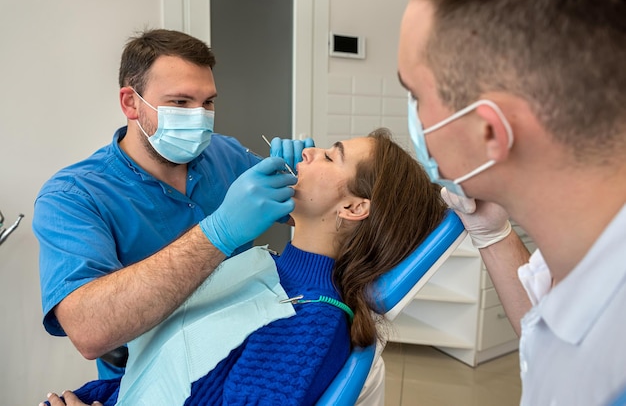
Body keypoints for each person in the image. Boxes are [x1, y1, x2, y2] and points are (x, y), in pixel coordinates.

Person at [41, 128, 448, 406]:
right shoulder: (272, 273)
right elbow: (177, 371)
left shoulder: (309, 322)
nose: (308, 151)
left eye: (329, 156)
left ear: (355, 207)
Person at [33, 28, 312, 381]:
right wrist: (217, 234)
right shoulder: (73, 197)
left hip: (251, 357)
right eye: (180, 103)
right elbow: (89, 331)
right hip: (158, 384)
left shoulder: (223, 153)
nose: (199, 117)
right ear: (130, 103)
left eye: (207, 102)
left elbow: (306, 212)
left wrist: (309, 179)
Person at [398, 0, 626, 404]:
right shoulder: (589, 248)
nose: (413, 116)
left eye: (415, 95)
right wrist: (493, 233)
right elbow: (551, 334)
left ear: (489, 133)